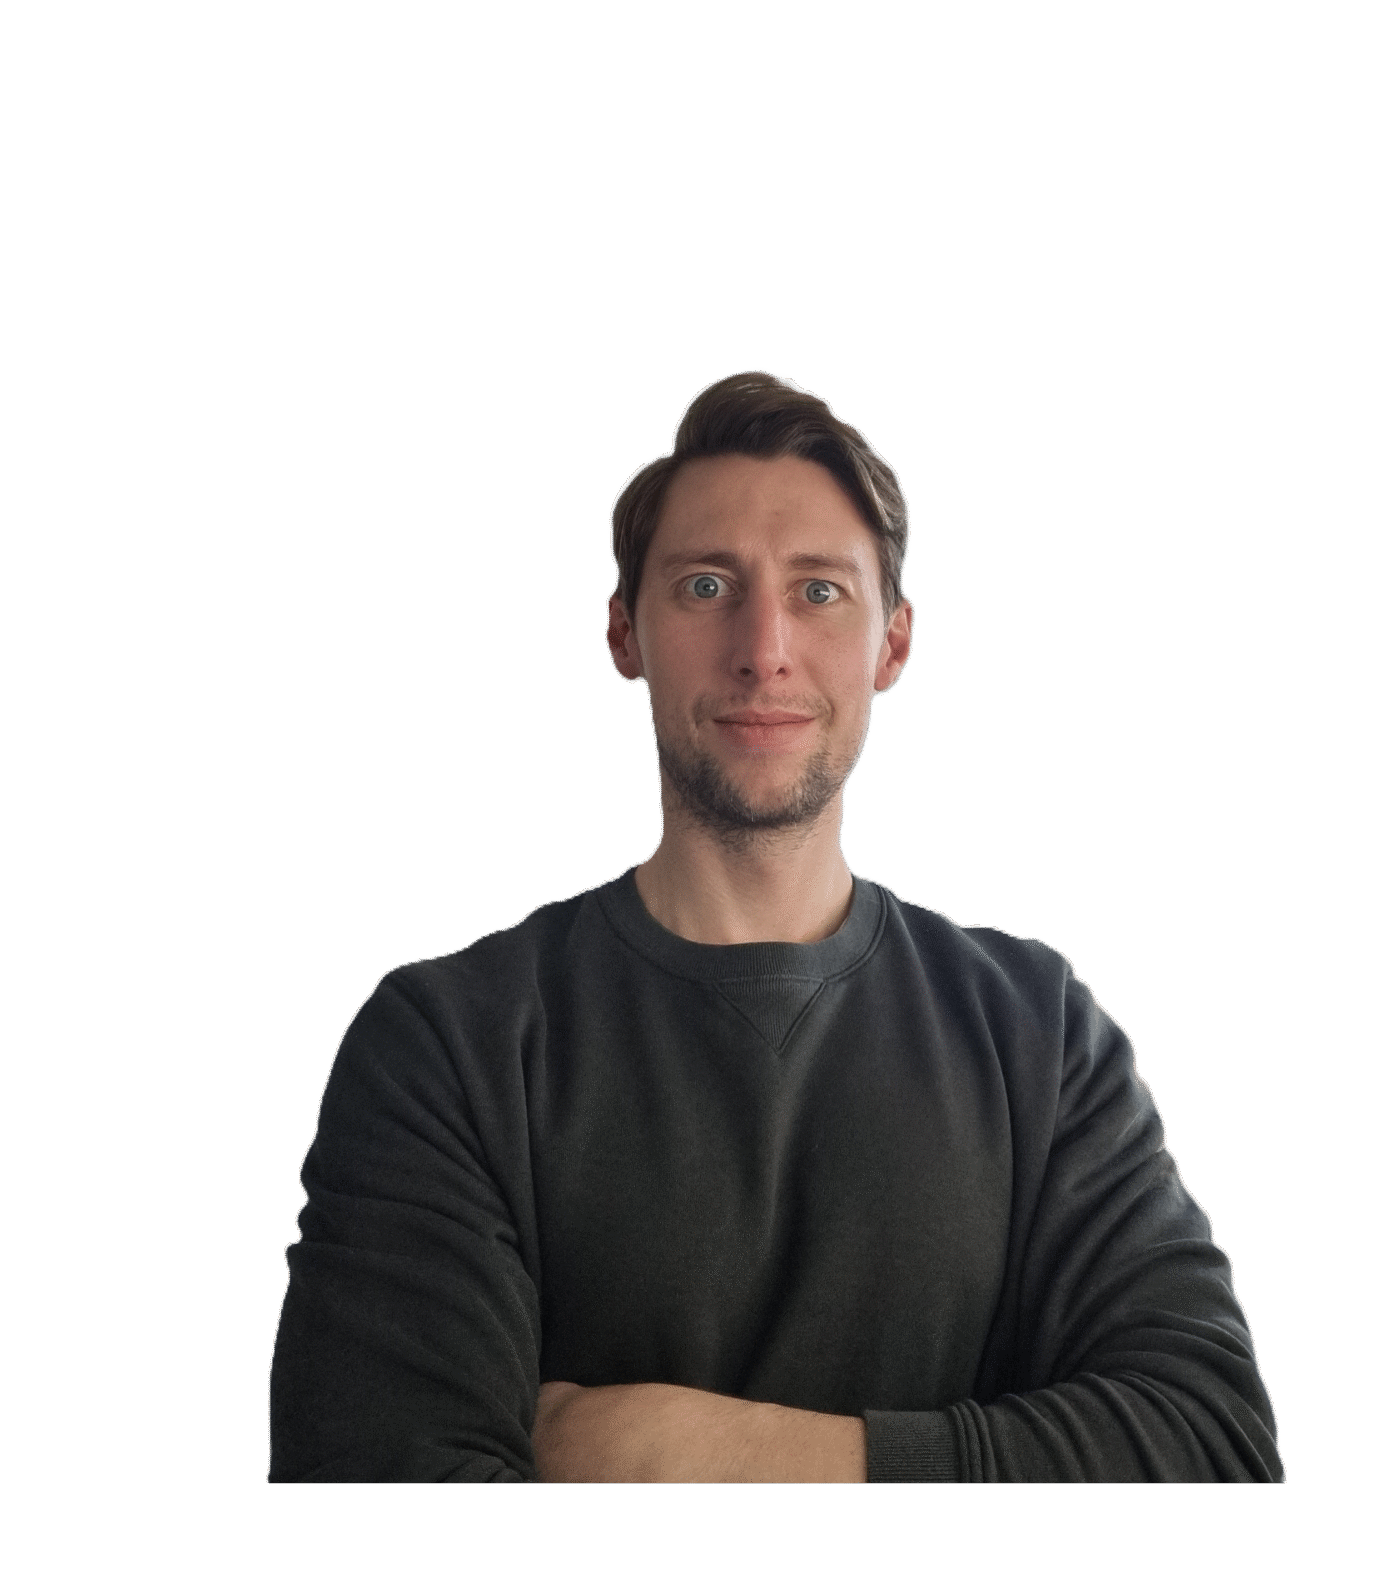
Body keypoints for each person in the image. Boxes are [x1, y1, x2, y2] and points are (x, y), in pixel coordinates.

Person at [267, 372, 1283, 1482]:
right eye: (706, 586)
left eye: (819, 592)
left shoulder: (1037, 1033)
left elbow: (1211, 1451)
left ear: (892, 645)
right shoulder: (449, 1044)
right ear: (624, 631)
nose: (764, 648)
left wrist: (688, 1453)